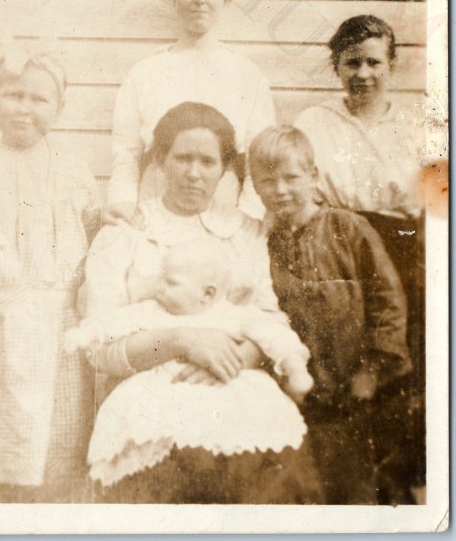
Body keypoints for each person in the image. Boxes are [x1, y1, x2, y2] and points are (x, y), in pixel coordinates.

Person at [83, 102, 321, 504]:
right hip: (151, 396)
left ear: (225, 168)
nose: (194, 173)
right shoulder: (124, 235)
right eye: (182, 158)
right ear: (160, 161)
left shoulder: (245, 234)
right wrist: (181, 341)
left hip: (238, 386)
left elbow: (269, 318)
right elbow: (98, 349)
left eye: (208, 161)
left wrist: (237, 358)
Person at [293, 15, 425, 501]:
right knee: (343, 360)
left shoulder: (418, 124)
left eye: (373, 62)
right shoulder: (315, 122)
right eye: (352, 63)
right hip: (336, 246)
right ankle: (342, 483)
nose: (363, 73)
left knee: (393, 361)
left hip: (403, 242)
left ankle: (393, 487)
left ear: (392, 65)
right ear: (336, 67)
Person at [66, 237, 313, 489]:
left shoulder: (231, 314)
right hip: (163, 391)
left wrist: (295, 367)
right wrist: (84, 333)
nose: (159, 287)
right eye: (161, 279)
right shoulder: (151, 311)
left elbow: (275, 334)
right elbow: (113, 322)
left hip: (228, 389)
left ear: (208, 294)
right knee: (156, 435)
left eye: (171, 283)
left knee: (246, 436)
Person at [249, 125, 412, 504]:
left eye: (292, 178)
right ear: (255, 187)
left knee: (357, 488)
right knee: (303, 485)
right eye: (268, 181)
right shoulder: (262, 243)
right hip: (296, 392)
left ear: (314, 176)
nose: (281, 190)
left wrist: (370, 372)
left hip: (356, 389)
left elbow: (388, 303)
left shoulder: (348, 228)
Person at [0, 42, 100, 503]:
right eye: (13, 94)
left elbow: (89, 238)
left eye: (39, 98)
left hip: (52, 326)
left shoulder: (71, 171)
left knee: (50, 446)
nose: (24, 109)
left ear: (60, 107)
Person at [104, 0, 275, 224]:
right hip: (155, 207)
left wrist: (248, 218)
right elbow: (126, 154)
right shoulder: (144, 73)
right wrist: (123, 206)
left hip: (224, 210)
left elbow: (260, 159)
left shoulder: (248, 76)